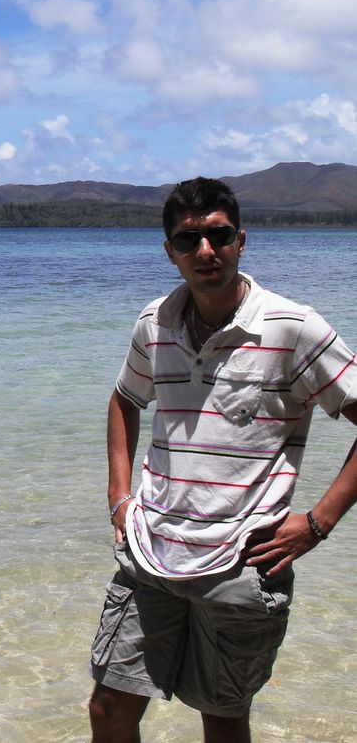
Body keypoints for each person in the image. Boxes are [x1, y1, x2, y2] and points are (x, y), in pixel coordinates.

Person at [87, 177, 357, 743]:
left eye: (218, 235)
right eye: (189, 241)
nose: (204, 252)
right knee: (109, 707)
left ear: (241, 240)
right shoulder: (154, 322)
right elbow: (124, 399)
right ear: (170, 251)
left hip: (243, 564)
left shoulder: (293, 327)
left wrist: (317, 523)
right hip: (149, 549)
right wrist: (119, 496)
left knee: (223, 719)